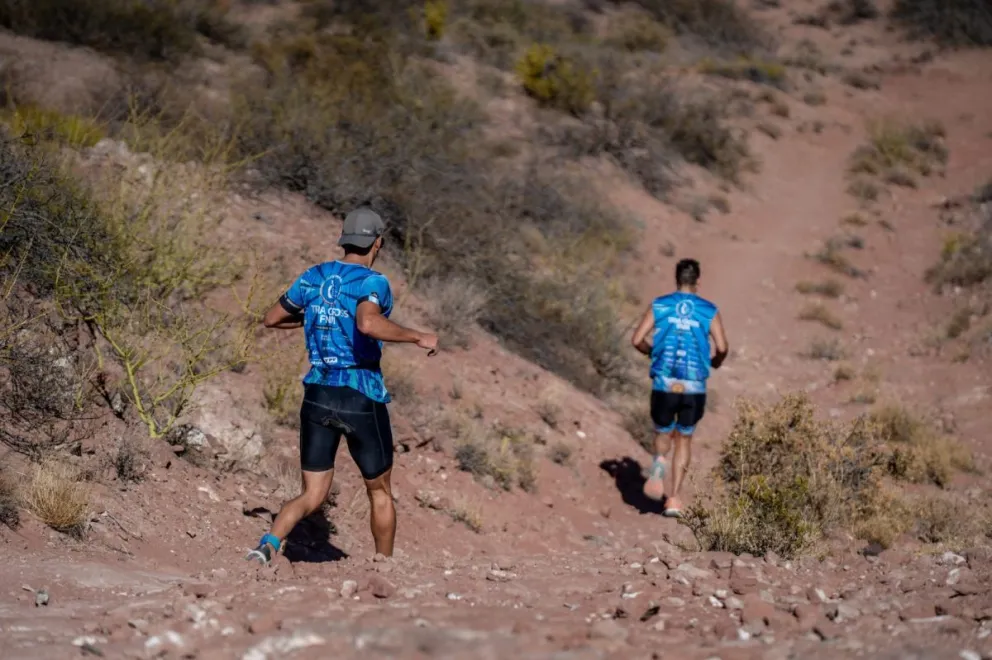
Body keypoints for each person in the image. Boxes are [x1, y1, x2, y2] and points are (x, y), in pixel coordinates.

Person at [245, 207, 438, 565]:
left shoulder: (314, 276)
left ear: (344, 239)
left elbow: (272, 318)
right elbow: (368, 323)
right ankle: (385, 565)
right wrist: (417, 336)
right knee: (379, 491)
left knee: (312, 493)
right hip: (360, 394)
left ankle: (268, 544)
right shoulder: (373, 282)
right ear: (378, 243)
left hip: (317, 393)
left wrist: (313, 317)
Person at [629, 258, 728, 518]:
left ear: (676, 279)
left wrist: (652, 353)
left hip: (664, 382)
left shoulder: (660, 305)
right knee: (684, 437)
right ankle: (673, 498)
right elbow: (722, 347)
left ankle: (660, 460)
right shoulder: (708, 310)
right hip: (694, 386)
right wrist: (716, 361)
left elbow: (637, 339)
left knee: (663, 430)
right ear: (697, 281)